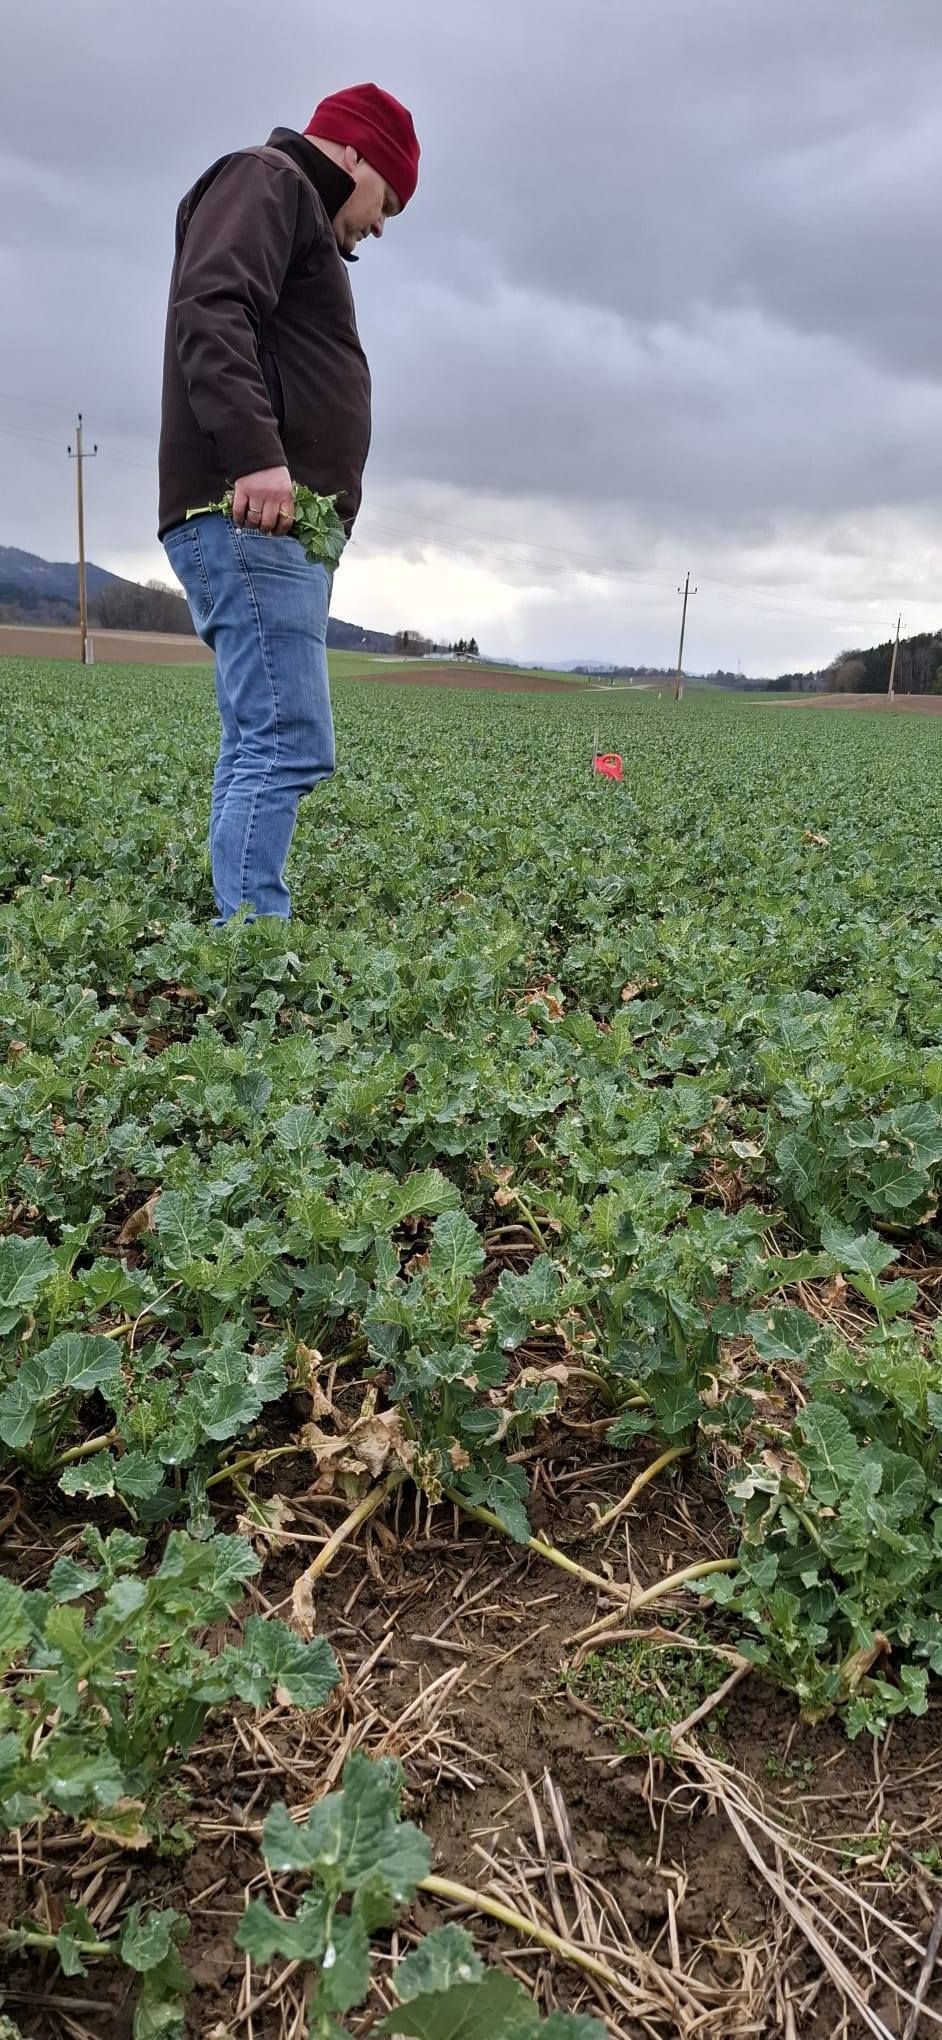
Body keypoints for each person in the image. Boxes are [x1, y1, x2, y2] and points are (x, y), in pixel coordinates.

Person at [157, 84, 420, 923]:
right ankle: (252, 942)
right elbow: (211, 309)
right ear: (352, 152)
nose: (381, 224)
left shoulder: (293, 204)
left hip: (267, 523)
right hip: (255, 515)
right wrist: (259, 459)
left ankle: (239, 936)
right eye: (389, 197)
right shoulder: (268, 180)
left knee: (259, 739)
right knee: (291, 740)